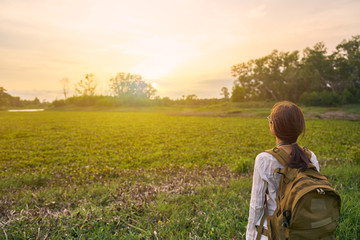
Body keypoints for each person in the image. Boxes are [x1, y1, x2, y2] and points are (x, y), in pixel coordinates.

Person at [246, 101, 320, 240]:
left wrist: (250, 235)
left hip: (275, 232)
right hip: (304, 229)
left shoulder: (264, 159)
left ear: (273, 126)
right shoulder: (310, 156)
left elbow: (256, 205)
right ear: (299, 127)